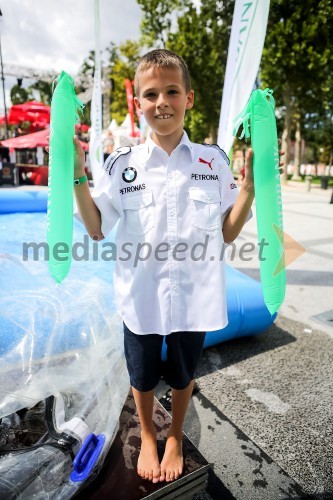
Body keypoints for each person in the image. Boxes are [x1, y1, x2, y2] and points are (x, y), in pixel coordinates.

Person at [71, 49, 284, 484]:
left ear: (190, 97)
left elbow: (226, 233)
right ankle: (149, 433)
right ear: (138, 104)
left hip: (194, 295)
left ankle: (175, 437)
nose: (162, 101)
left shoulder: (212, 161)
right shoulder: (121, 165)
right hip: (141, 296)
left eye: (172, 91)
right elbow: (95, 228)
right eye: (151, 94)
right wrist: (76, 174)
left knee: (184, 373)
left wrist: (248, 189)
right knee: (143, 375)